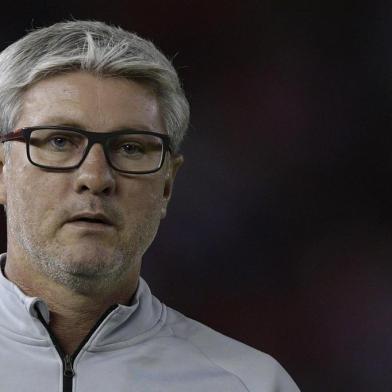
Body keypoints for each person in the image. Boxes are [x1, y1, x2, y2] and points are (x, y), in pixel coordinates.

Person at [0, 20, 300, 391]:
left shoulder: (253, 383)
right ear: (2, 170)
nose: (96, 178)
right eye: (60, 141)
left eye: (131, 148)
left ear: (167, 185)